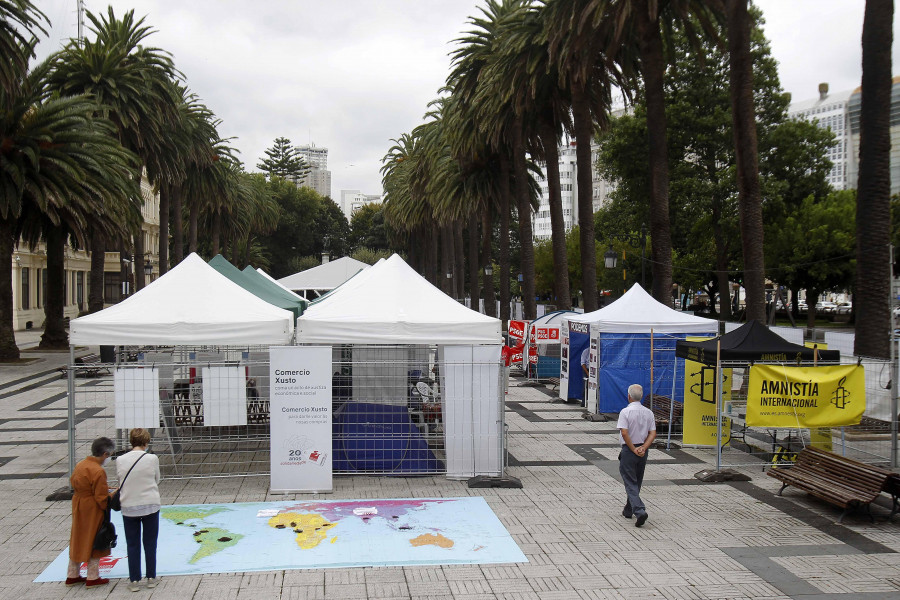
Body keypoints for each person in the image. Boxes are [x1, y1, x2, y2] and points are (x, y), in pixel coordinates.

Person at [116, 428, 161, 592]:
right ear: (146, 442)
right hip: (150, 504)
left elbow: (120, 479)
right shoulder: (152, 458)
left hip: (129, 505)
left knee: (132, 544)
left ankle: (134, 580)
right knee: (150, 543)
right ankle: (151, 577)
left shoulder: (120, 460)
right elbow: (157, 479)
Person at [67, 436, 115, 587]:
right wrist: (113, 494)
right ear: (105, 454)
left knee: (78, 537)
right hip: (92, 509)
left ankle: (72, 574)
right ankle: (93, 577)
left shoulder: (81, 464)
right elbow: (101, 498)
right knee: (95, 538)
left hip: (79, 504)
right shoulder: (98, 471)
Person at [617, 384, 657, 527]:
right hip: (643, 449)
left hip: (629, 449)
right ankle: (628, 510)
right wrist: (644, 447)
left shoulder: (625, 412)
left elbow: (624, 432)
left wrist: (633, 448)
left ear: (629, 396)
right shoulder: (648, 412)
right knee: (637, 480)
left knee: (629, 481)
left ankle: (639, 511)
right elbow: (653, 433)